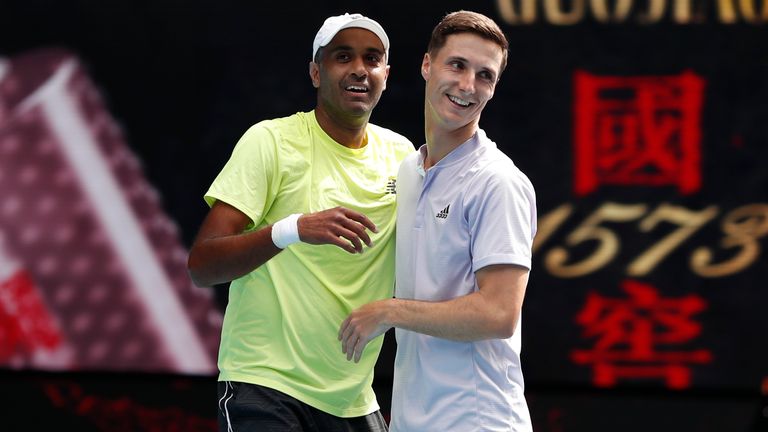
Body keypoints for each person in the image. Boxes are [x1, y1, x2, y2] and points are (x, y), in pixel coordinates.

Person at [187, 13, 413, 432]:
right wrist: (291, 229)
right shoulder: (270, 141)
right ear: (315, 72)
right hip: (265, 386)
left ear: (386, 74)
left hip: (354, 400)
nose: (359, 69)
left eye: (372, 58)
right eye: (342, 57)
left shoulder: (402, 156)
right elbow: (202, 265)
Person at [338, 10, 537, 431]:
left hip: (479, 420)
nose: (468, 86)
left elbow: (499, 314)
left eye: (485, 75)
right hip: (412, 419)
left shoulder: (499, 182)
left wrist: (389, 312)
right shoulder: (409, 171)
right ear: (428, 65)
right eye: (457, 65)